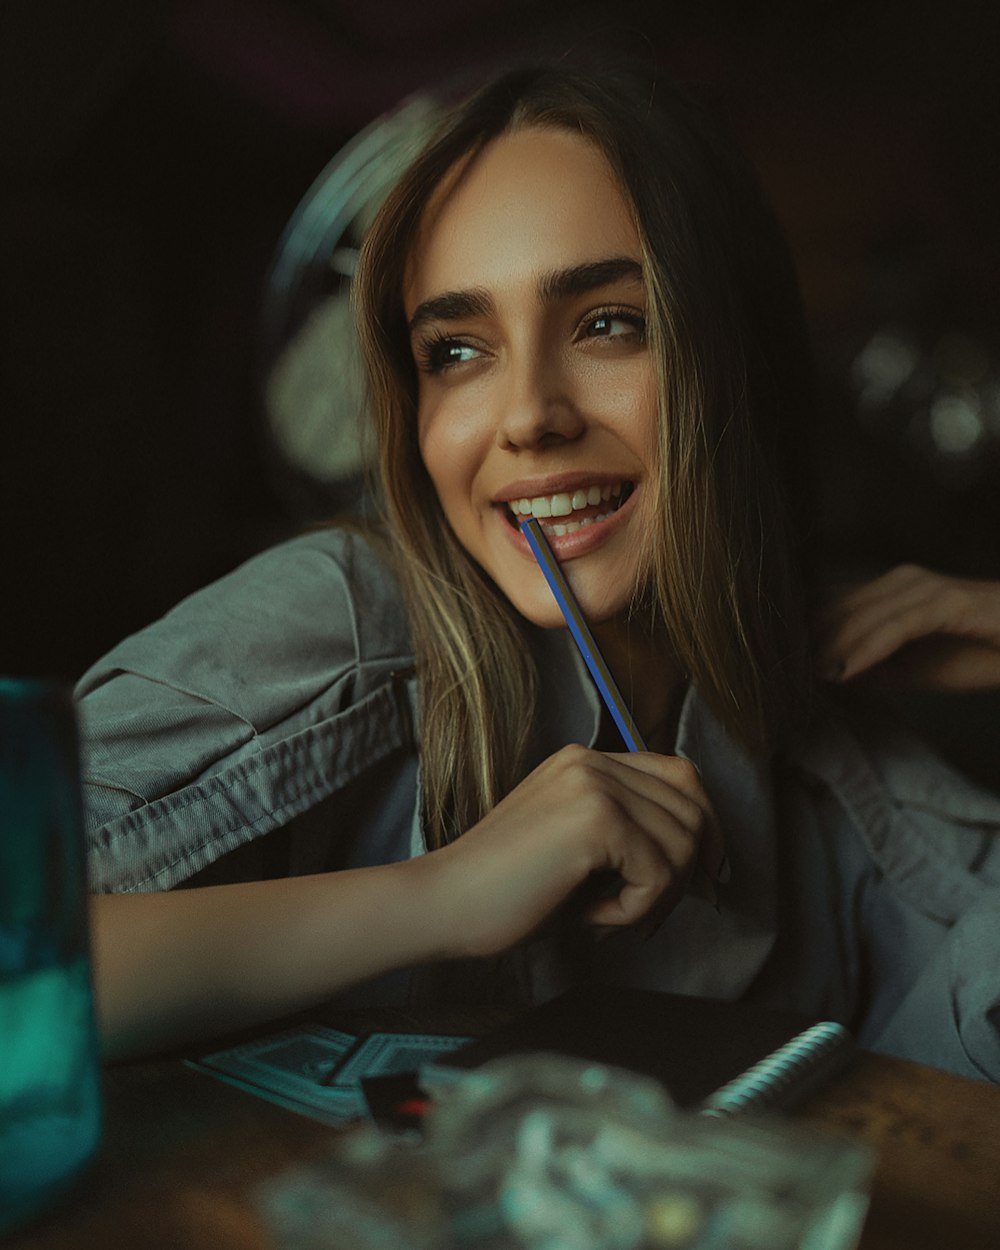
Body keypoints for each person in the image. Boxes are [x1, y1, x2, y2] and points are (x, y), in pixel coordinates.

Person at [78, 64, 1000, 1077]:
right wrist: (441, 895)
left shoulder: (834, 769)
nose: (527, 416)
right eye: (459, 351)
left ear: (735, 355)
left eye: (608, 323)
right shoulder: (343, 617)